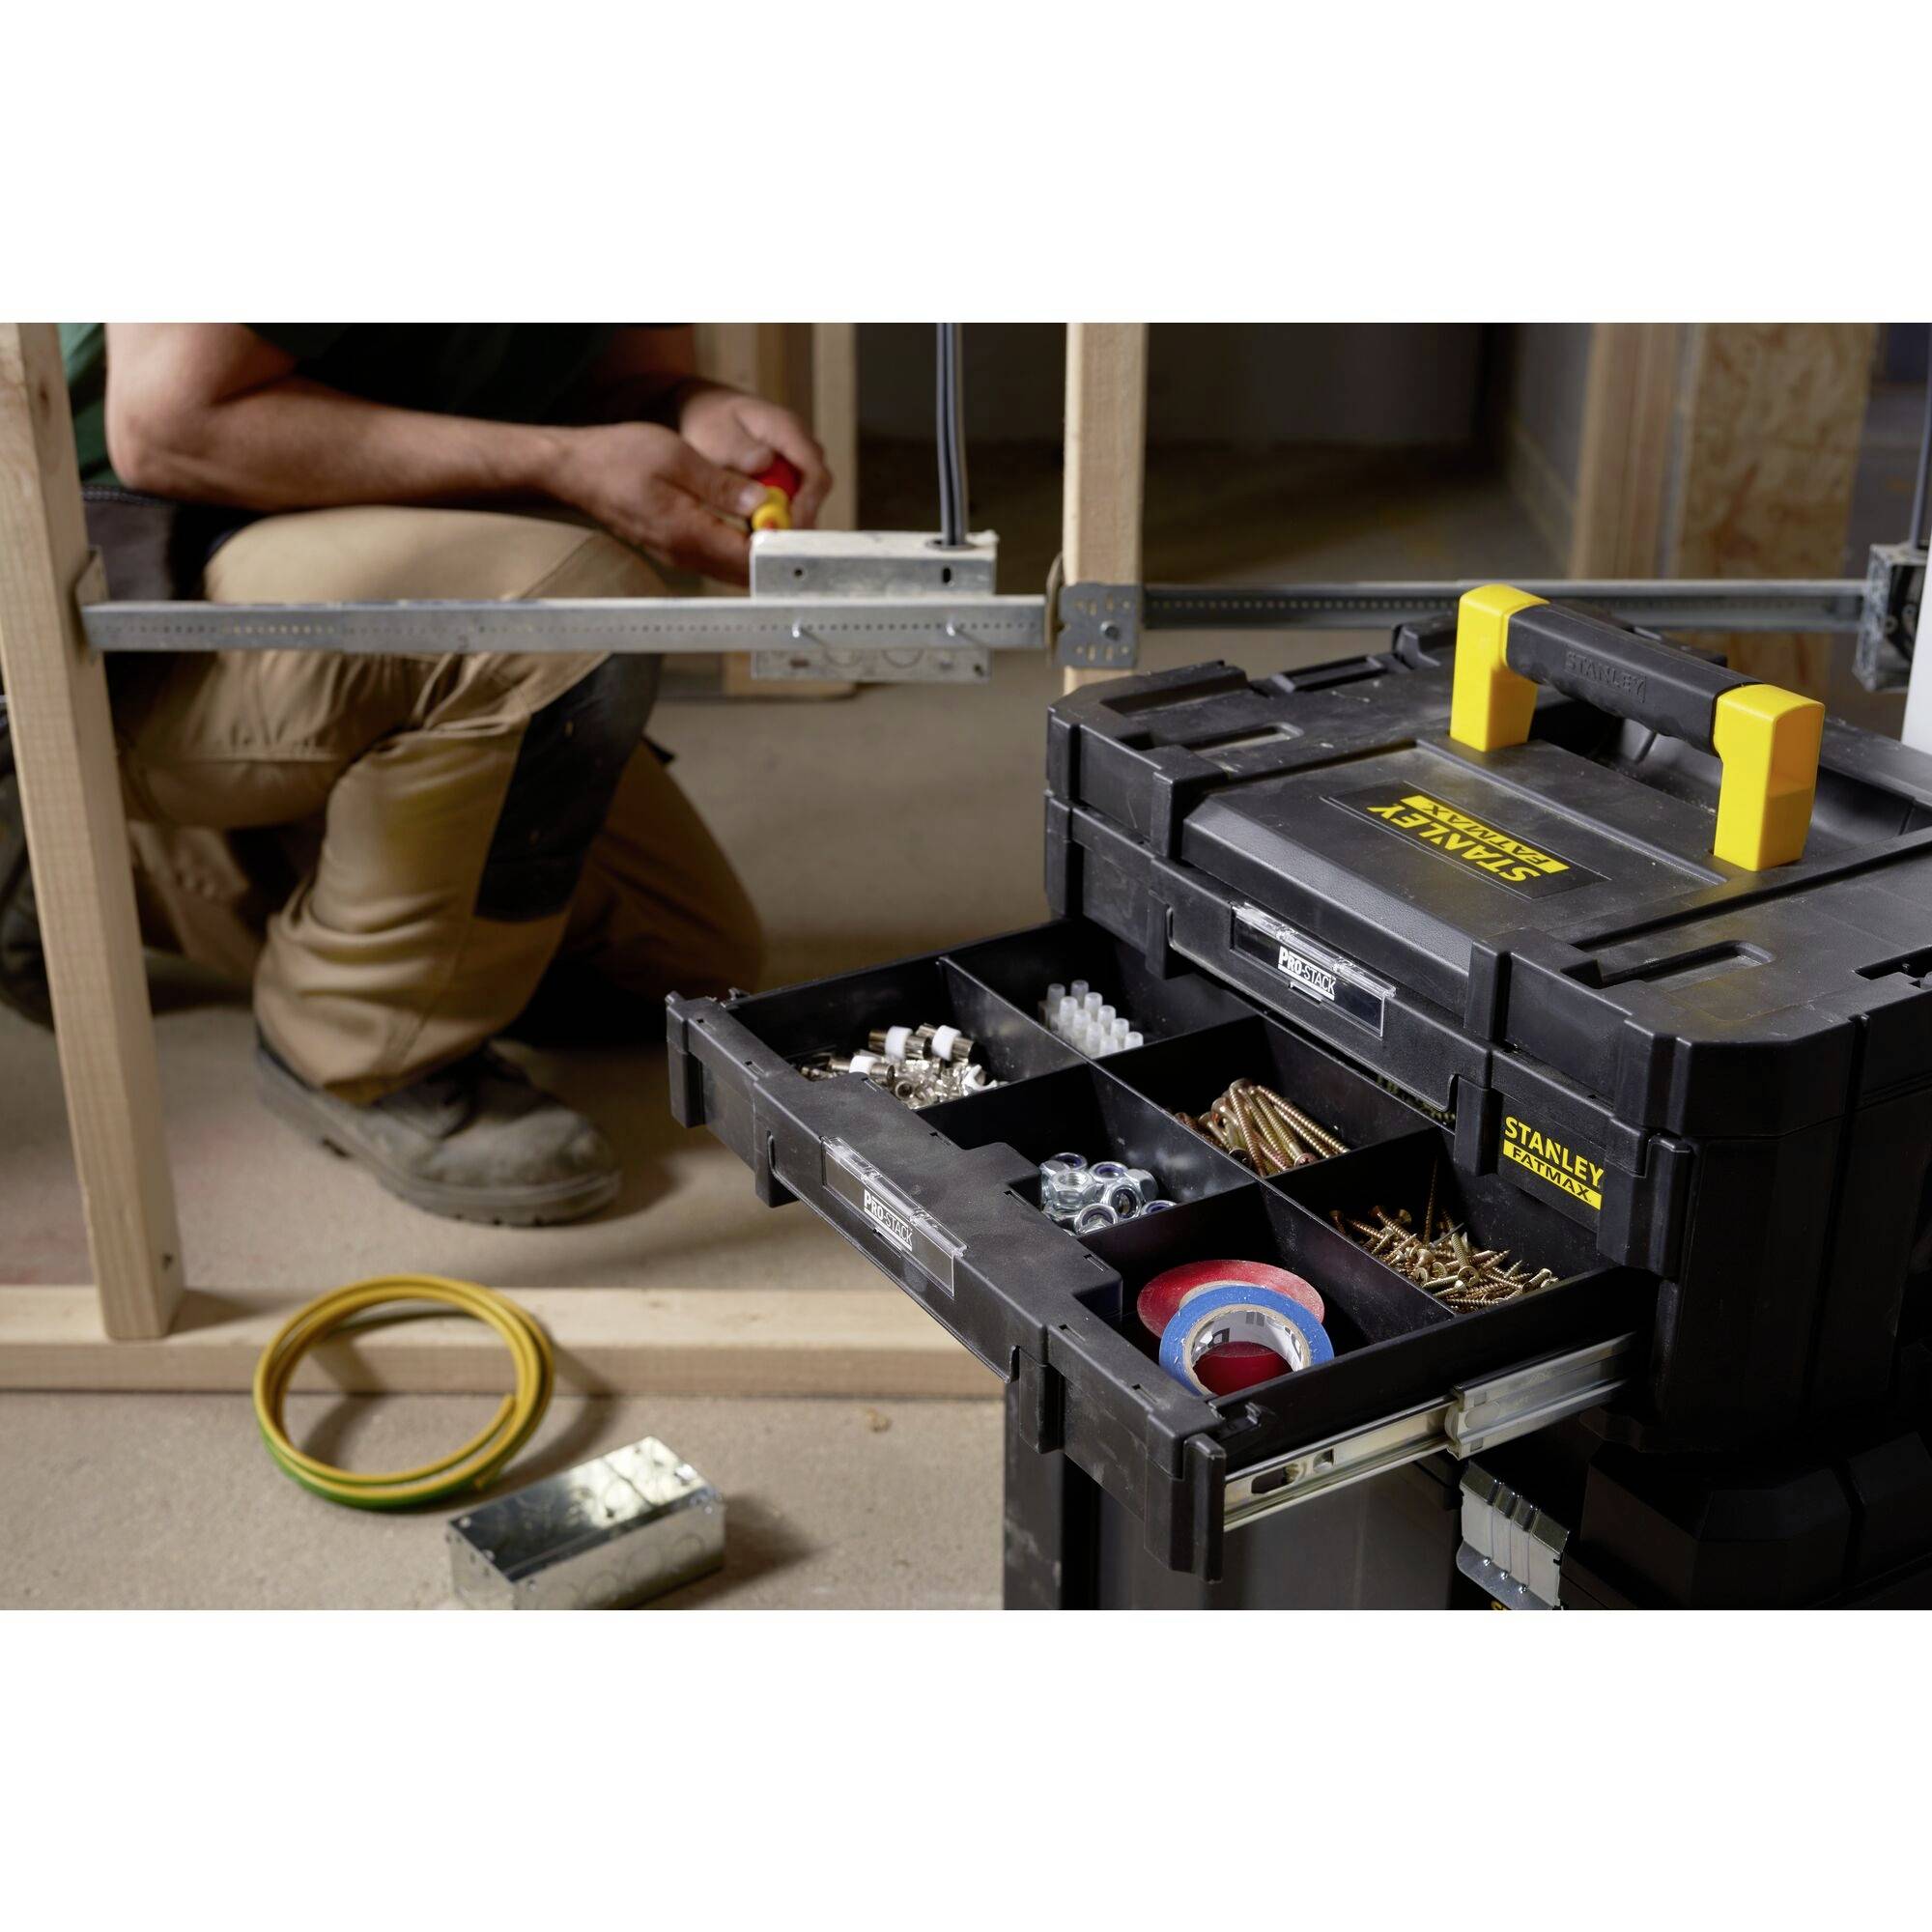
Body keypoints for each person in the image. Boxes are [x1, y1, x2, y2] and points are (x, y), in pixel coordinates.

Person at [35, 324, 832, 1225]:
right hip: (115, 573)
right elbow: (170, 424)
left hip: (320, 538)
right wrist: (560, 465)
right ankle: (354, 1053)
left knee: (675, 955)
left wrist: (684, 410)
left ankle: (90, 882)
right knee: (560, 609)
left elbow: (605, 370)